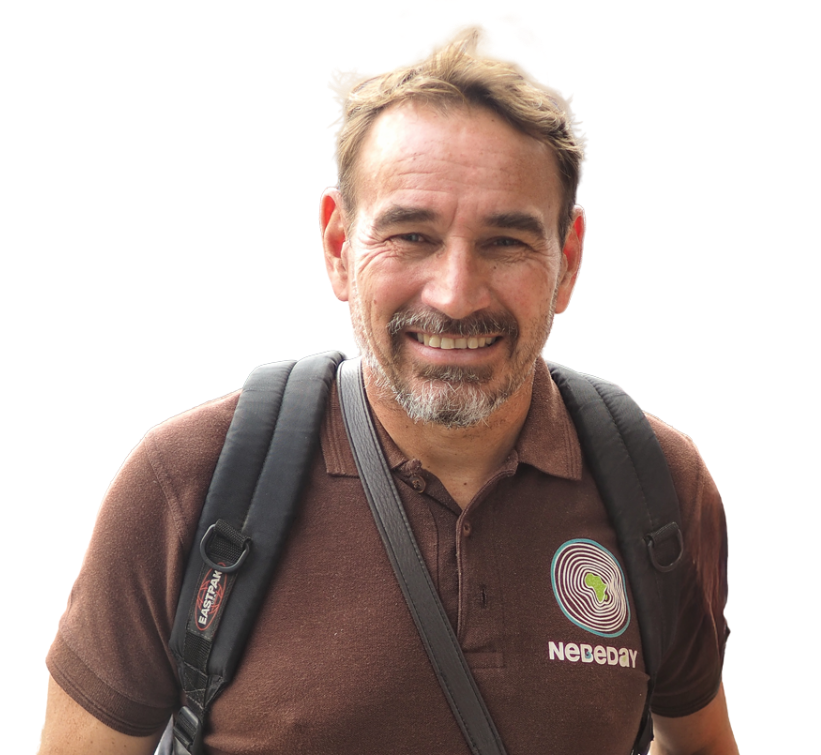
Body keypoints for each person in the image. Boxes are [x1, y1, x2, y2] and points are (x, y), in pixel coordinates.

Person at [38, 21, 736, 755]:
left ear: (568, 260)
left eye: (505, 241)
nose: (456, 295)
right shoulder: (185, 482)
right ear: (339, 246)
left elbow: (698, 743)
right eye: (411, 235)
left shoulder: (660, 484)